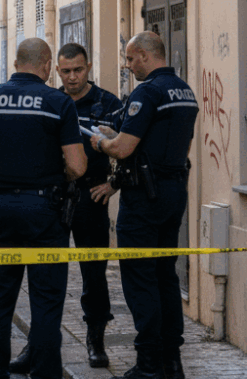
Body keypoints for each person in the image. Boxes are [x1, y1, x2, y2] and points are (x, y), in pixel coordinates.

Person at [0, 38, 87, 379]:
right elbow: (77, 166)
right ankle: (45, 374)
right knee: (46, 304)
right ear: (47, 65)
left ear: (16, 63)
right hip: (46, 211)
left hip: (0, 210)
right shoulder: (58, 102)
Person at [89, 32, 199, 379]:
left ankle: (149, 362)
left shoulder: (147, 91)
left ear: (146, 56)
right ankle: (172, 360)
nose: (128, 65)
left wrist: (100, 143)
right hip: (173, 192)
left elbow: (123, 148)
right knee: (166, 275)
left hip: (144, 198)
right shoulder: (184, 91)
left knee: (141, 279)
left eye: (130, 59)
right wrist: (115, 133)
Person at [8, 43, 122, 373]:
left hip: (91, 198)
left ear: (89, 68)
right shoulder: (50, 101)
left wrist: (113, 185)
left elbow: (130, 148)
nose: (72, 77)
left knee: (94, 274)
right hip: (53, 198)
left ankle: (96, 340)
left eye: (79, 70)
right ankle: (39, 344)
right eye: (66, 71)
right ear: (55, 70)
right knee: (44, 275)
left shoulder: (108, 103)